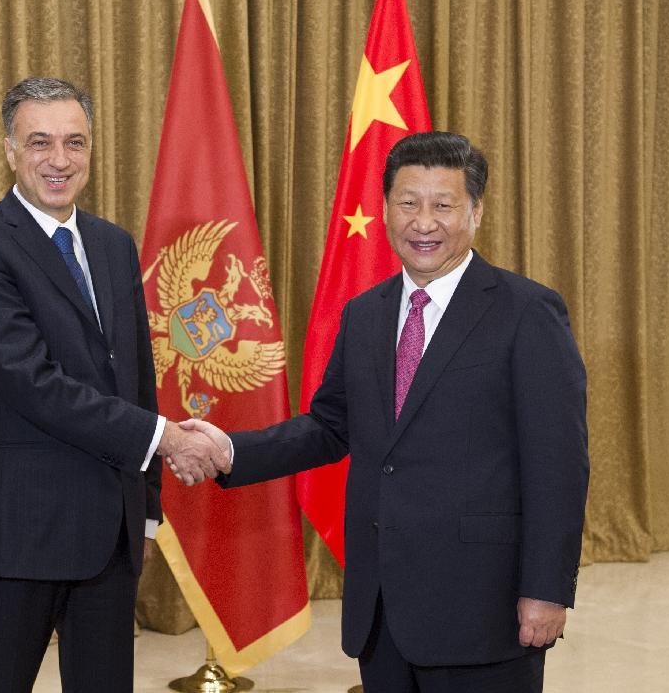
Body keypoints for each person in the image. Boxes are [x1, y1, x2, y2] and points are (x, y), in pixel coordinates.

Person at [175, 131, 589, 693]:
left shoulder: (526, 311)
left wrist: (546, 589)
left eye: (443, 205)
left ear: (476, 212)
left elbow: (558, 465)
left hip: (482, 608)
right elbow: (329, 426)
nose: (424, 222)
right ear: (386, 210)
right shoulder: (365, 314)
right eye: (408, 203)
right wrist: (229, 450)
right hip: (382, 610)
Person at [0, 76, 222, 693]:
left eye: (75, 142)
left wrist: (145, 514)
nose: (59, 160)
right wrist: (168, 439)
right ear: (10, 150)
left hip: (108, 535)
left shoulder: (114, 245)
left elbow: (136, 380)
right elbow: (34, 384)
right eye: (39, 142)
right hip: (14, 532)